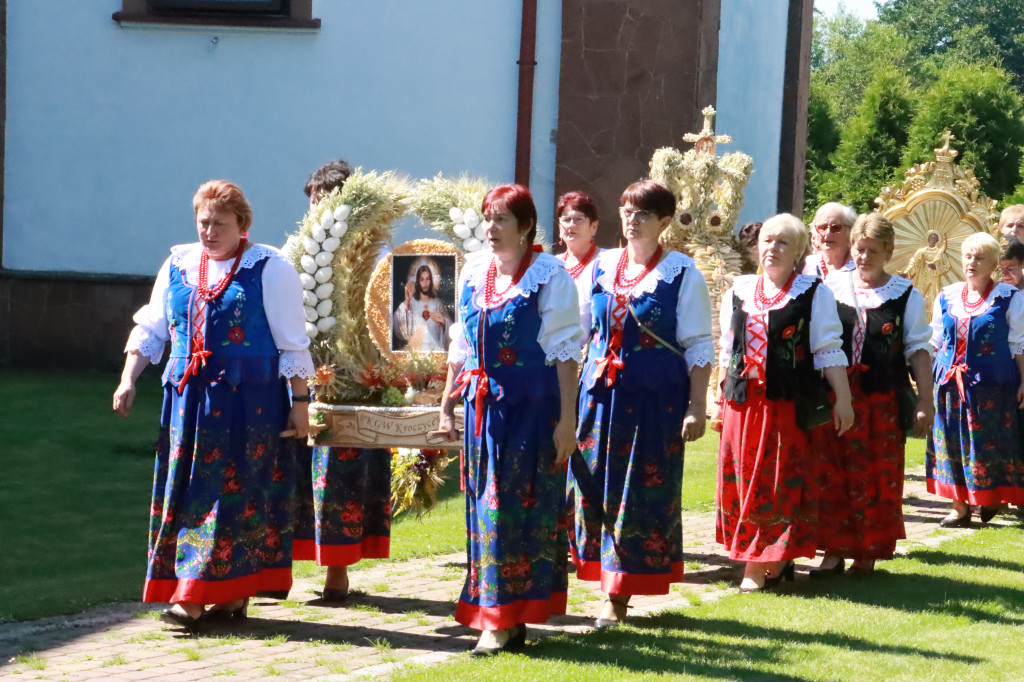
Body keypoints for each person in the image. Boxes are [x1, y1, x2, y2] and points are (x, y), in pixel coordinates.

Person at [113, 180, 313, 628]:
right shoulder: (179, 264)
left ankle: (215, 594)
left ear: (242, 225)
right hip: (189, 402)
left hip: (251, 402)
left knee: (237, 494)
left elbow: (292, 342)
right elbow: (153, 328)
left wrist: (300, 403)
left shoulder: (270, 267)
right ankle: (202, 592)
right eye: (203, 222)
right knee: (189, 492)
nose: (208, 231)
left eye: (219, 224)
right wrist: (129, 379)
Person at [437, 184, 584, 655]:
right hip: (484, 411)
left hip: (531, 408)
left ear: (525, 227)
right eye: (488, 218)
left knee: (518, 507)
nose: (491, 228)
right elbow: (461, 348)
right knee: (485, 507)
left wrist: (567, 420)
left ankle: (504, 619)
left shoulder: (548, 275)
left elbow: (565, 355)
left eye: (502, 219)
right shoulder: (474, 273)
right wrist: (446, 404)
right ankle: (498, 613)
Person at [570, 180, 713, 628]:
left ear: (664, 222)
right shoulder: (602, 265)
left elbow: (698, 344)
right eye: (627, 210)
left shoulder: (682, 273)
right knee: (591, 487)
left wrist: (696, 406)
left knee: (636, 493)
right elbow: (576, 332)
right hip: (599, 396)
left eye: (643, 214)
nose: (631, 220)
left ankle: (619, 594)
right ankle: (597, 573)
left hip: (653, 402)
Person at [713, 213, 853, 592]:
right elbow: (729, 349)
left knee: (775, 481)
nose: (771, 248)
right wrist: (720, 396)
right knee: (743, 479)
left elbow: (827, 349)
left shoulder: (813, 292)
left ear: (799, 253)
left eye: (782, 243)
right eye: (767, 240)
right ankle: (768, 557)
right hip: (744, 404)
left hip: (786, 405)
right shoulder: (739, 290)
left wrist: (843, 399)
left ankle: (759, 567)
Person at [290, 160, 393, 602]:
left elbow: (384, 314)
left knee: (340, 475)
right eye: (314, 199)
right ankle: (281, 572)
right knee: (295, 474)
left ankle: (337, 573)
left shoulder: (369, 254)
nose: (320, 207)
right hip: (299, 376)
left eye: (329, 199)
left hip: (350, 377)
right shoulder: (294, 252)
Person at [814, 214, 934, 575]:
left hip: (881, 399)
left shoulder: (905, 295)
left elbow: (918, 350)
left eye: (872, 251)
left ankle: (867, 548)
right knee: (831, 471)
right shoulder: (829, 287)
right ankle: (833, 550)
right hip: (835, 395)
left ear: (889, 252)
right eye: (859, 249)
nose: (863, 257)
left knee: (876, 473)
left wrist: (925, 401)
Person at [927, 232, 1024, 526]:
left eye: (979, 257)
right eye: (968, 256)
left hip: (993, 384)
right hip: (949, 383)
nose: (971, 262)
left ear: (994, 263)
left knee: (987, 442)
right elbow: (935, 339)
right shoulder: (947, 296)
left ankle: (990, 497)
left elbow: (1019, 344)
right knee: (952, 441)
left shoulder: (1010, 298)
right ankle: (959, 506)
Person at [391, 260, 453, 351]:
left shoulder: (437, 303)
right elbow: (397, 327)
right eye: (422, 279)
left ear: (431, 280)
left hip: (435, 350)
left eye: (428, 279)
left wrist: (443, 322)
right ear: (418, 281)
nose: (425, 283)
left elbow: (451, 327)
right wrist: (407, 304)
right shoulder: (410, 302)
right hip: (416, 350)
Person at [555, 191, 603, 305]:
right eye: (566, 220)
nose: (571, 225)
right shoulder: (554, 265)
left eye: (579, 219)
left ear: (593, 226)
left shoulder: (606, 262)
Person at [802, 202, 856, 279]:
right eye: (822, 228)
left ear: (850, 231)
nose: (828, 233)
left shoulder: (859, 267)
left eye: (836, 228)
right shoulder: (808, 266)